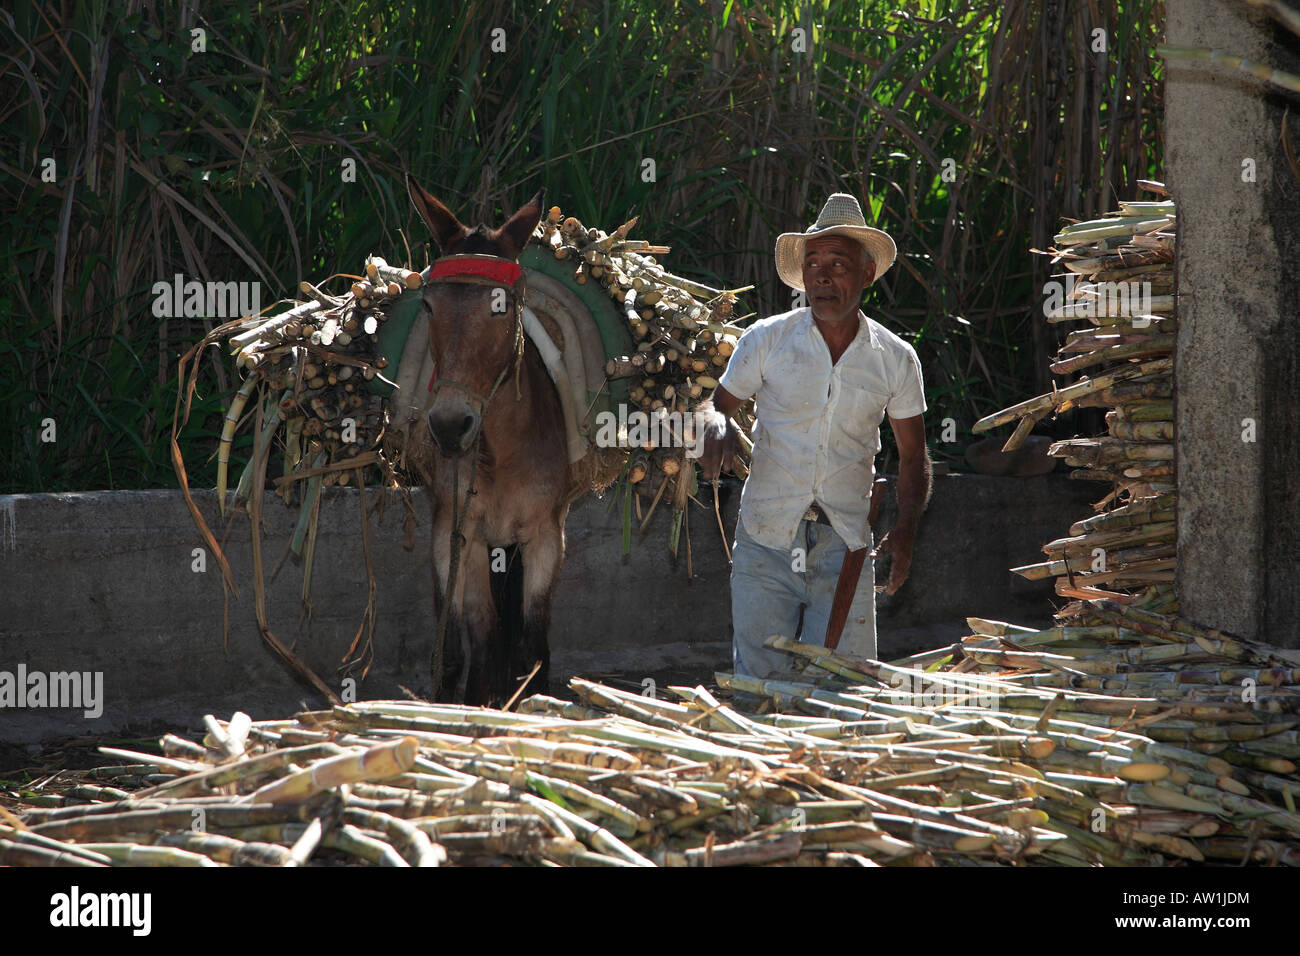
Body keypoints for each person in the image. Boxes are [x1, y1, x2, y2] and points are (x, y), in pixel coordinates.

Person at [699, 193, 932, 679]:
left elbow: (913, 455)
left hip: (844, 543)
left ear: (867, 274)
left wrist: (905, 532)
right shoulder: (767, 339)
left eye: (838, 264)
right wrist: (716, 423)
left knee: (843, 694)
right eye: (813, 264)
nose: (823, 276)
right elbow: (714, 406)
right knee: (758, 690)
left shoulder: (895, 358)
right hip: (767, 537)